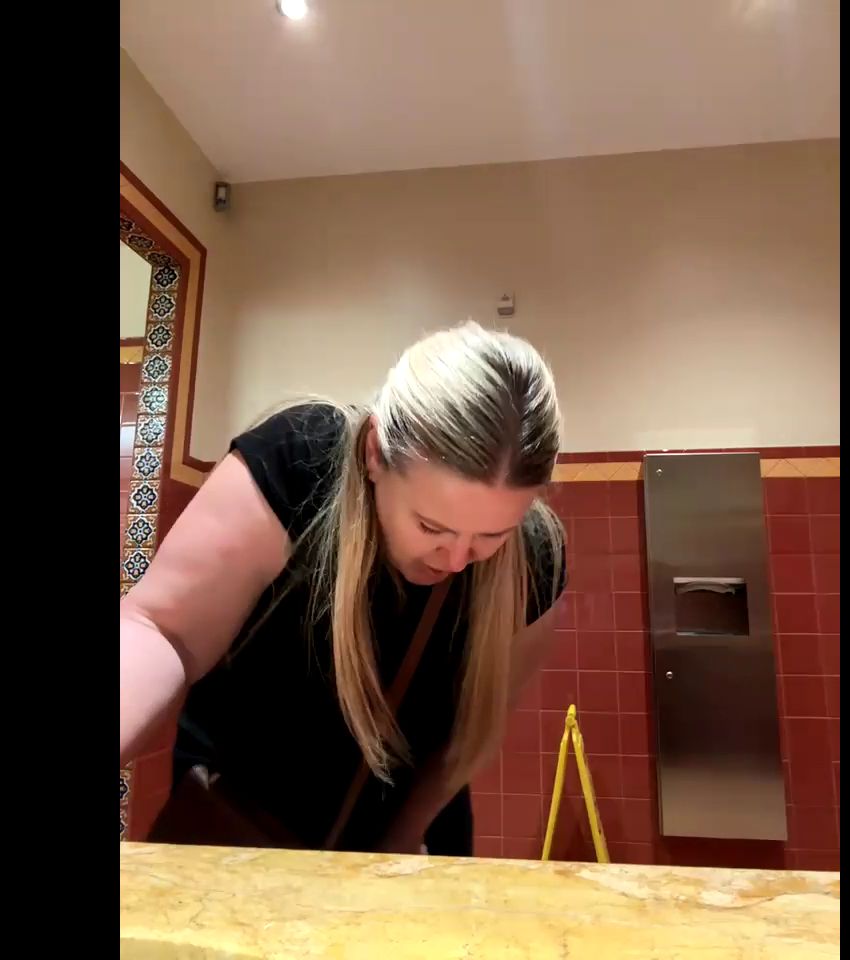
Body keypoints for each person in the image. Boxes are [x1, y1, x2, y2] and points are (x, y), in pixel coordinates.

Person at [120, 322, 566, 856]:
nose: (455, 560)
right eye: (431, 526)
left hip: (406, 841)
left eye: (492, 536)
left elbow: (462, 741)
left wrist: (398, 844)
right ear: (375, 452)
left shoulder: (537, 558)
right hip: (238, 830)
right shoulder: (301, 461)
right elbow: (162, 629)